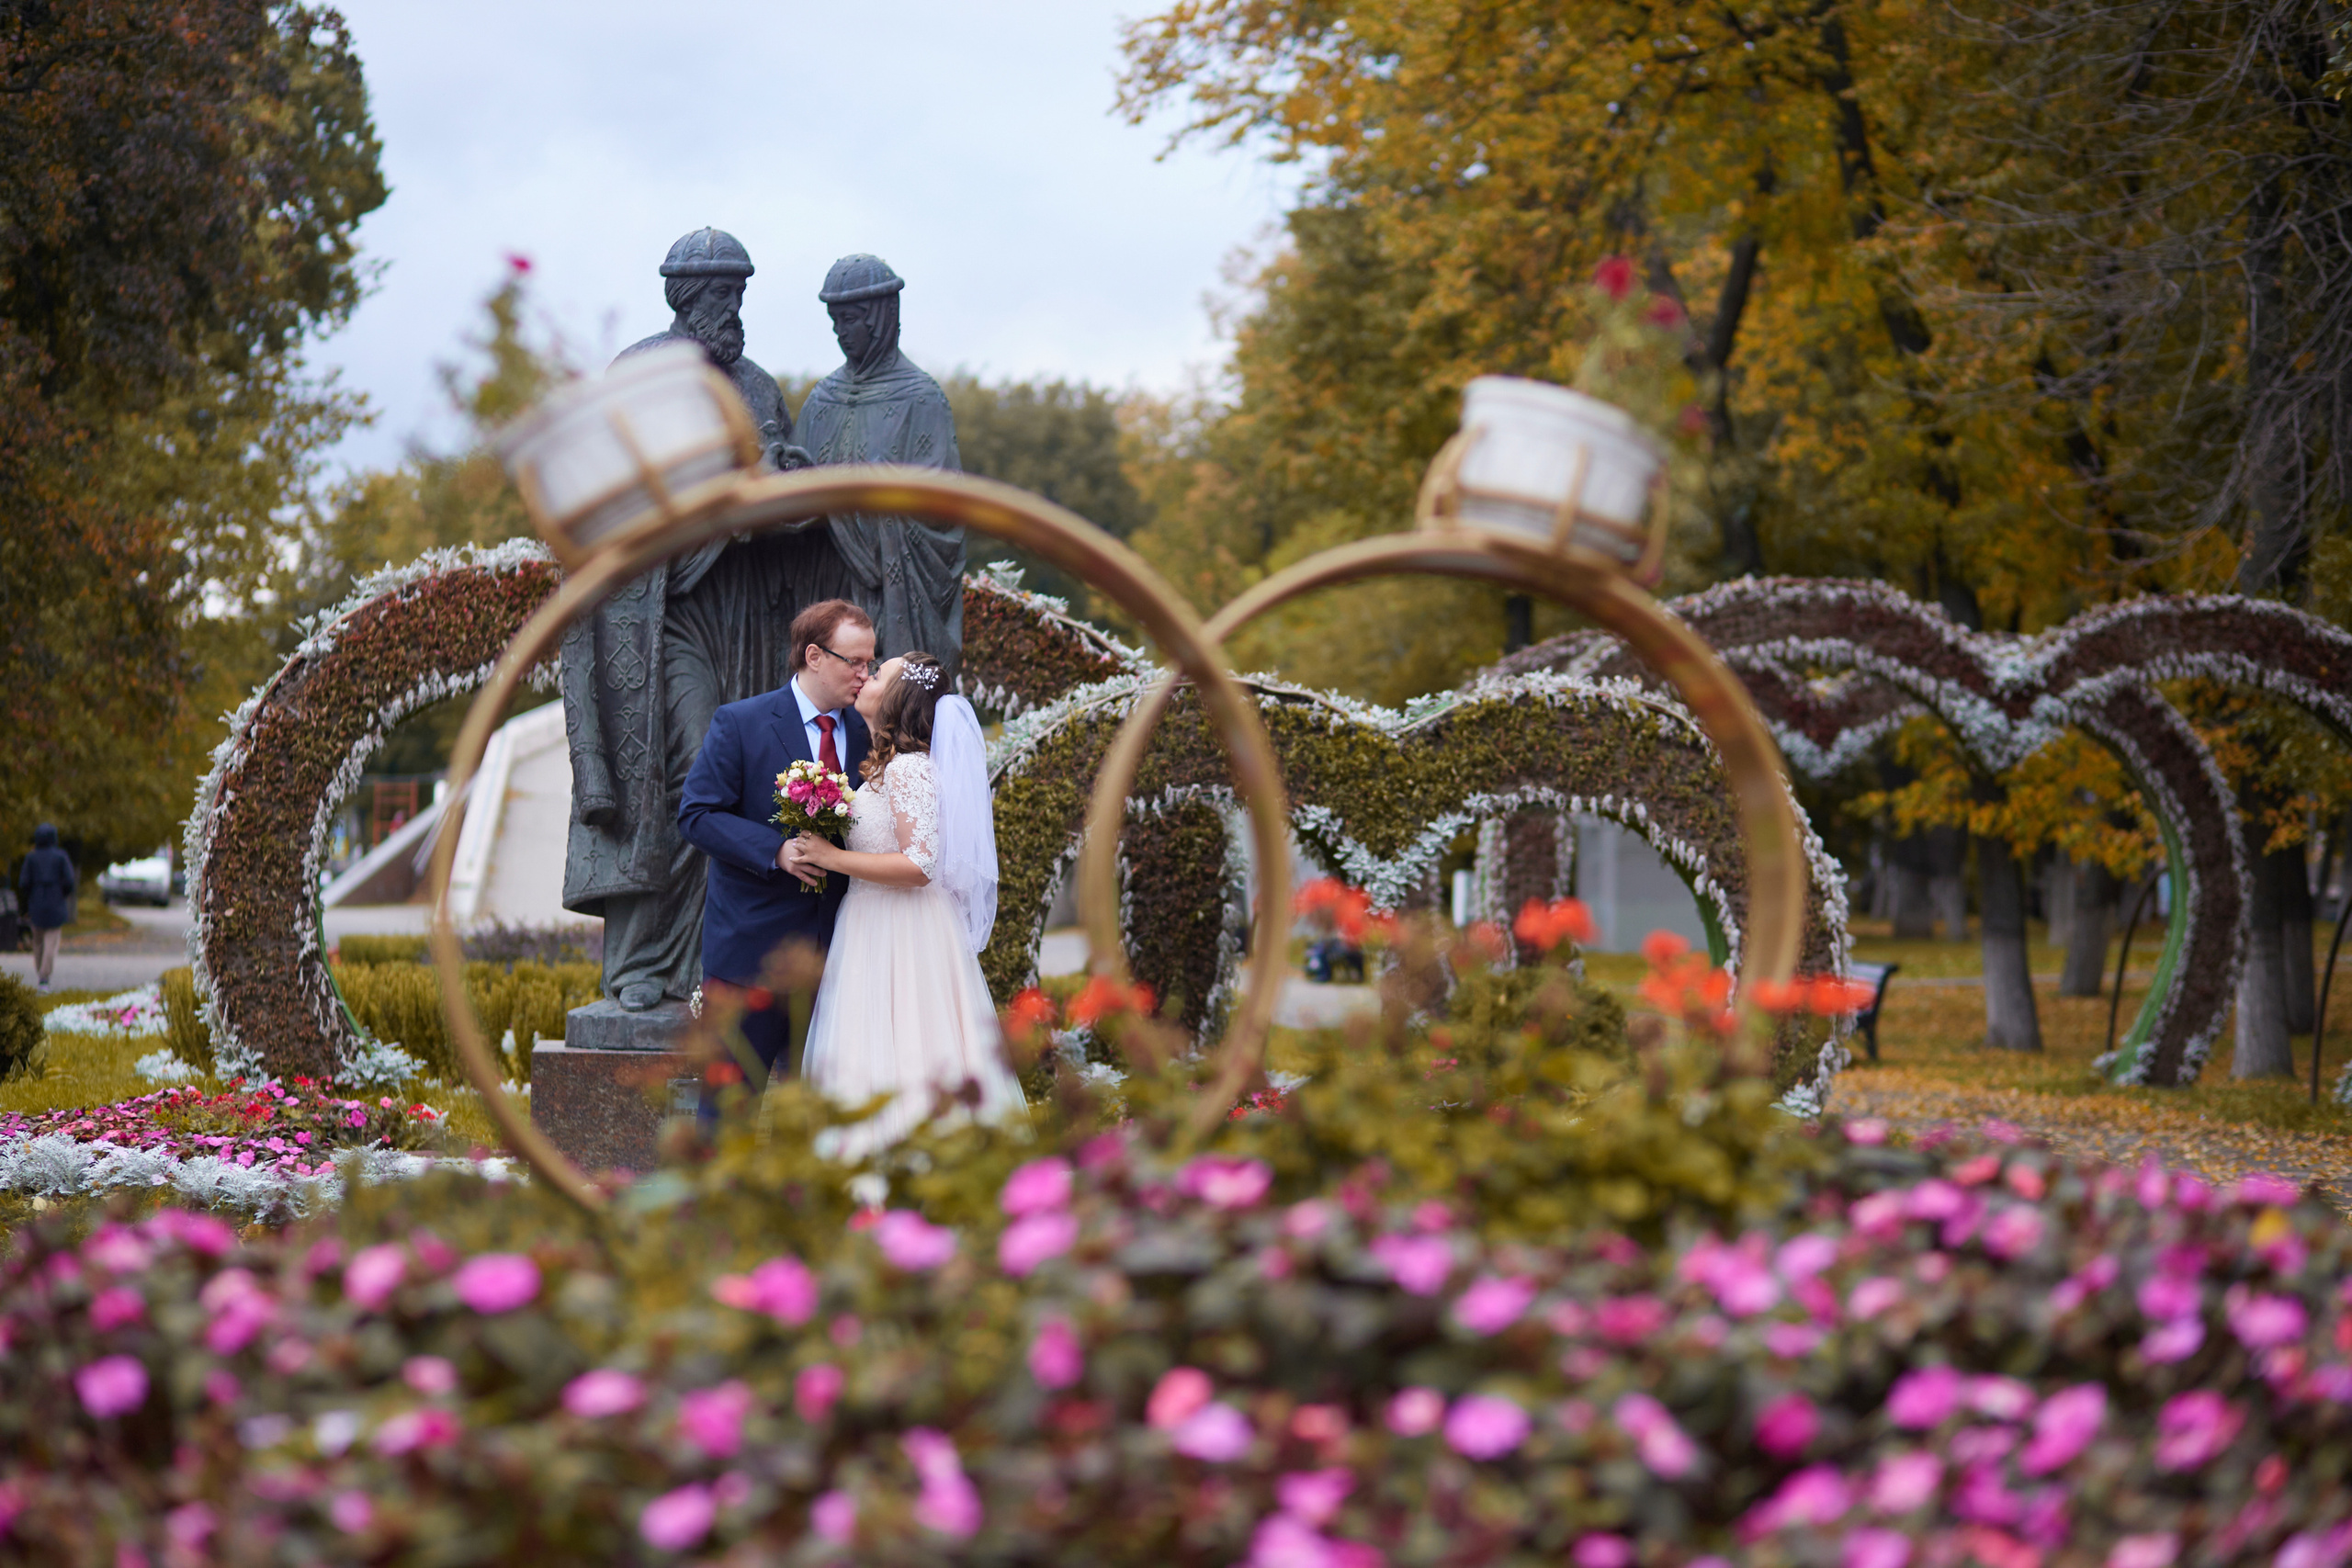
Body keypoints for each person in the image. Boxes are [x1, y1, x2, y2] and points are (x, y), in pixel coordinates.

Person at [561, 228, 854, 1011]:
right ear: (682, 298)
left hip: (747, 610)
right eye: (721, 294)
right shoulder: (640, 376)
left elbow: (777, 491)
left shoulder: (756, 386)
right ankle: (639, 965)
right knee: (682, 773)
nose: (734, 308)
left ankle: (713, 961)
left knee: (746, 782)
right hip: (664, 615)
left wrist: (788, 483)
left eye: (740, 292)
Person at [782, 651, 1023, 1156]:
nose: (866, 677)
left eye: (879, 673)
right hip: (871, 920)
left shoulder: (910, 769)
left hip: (903, 927)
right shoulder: (883, 766)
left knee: (910, 1047)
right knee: (870, 1051)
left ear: (897, 697)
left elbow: (919, 867)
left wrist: (831, 857)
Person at [676, 600, 876, 1094]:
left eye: (871, 661)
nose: (865, 674)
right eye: (855, 661)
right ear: (814, 656)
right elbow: (697, 814)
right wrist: (776, 851)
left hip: (841, 956)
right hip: (750, 956)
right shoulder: (740, 722)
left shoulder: (872, 732)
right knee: (727, 1112)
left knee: (820, 1118)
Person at [793, 254, 967, 682]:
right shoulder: (821, 400)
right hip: (827, 580)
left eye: (849, 319)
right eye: (834, 321)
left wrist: (866, 500)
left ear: (881, 317)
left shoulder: (920, 398)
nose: (840, 332)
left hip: (894, 589)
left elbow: (942, 507)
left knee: (889, 703)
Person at [18, 824, 75, 992]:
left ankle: (41, 974)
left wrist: (31, 897)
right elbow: (70, 881)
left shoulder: (31, 858)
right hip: (56, 903)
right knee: (51, 943)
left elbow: (23, 883)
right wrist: (61, 894)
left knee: (37, 943)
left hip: (36, 904)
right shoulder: (60, 857)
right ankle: (44, 977)